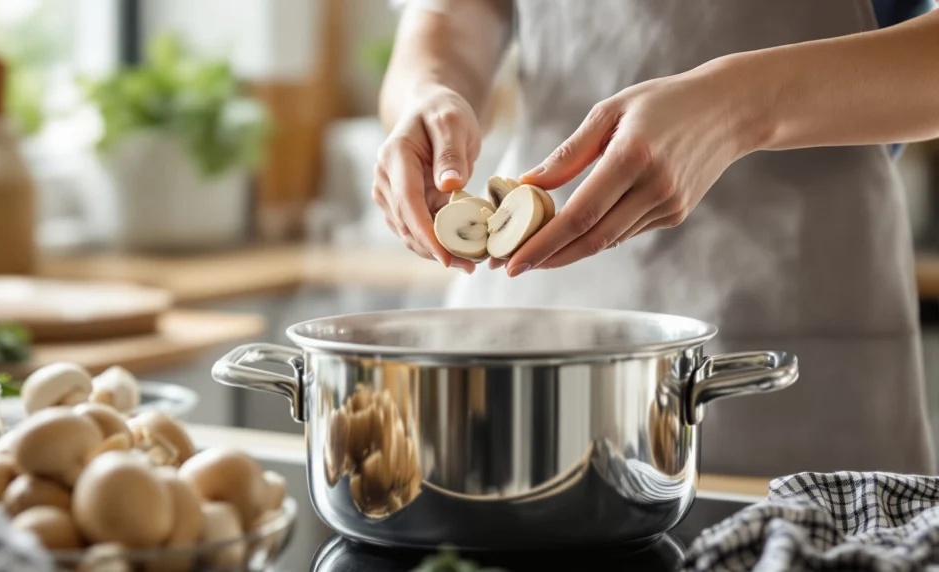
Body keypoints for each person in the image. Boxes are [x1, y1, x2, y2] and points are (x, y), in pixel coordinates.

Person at [373, 0, 939, 476]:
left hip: (795, 334)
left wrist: (740, 104)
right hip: (536, 328)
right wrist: (427, 94)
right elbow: (453, 15)